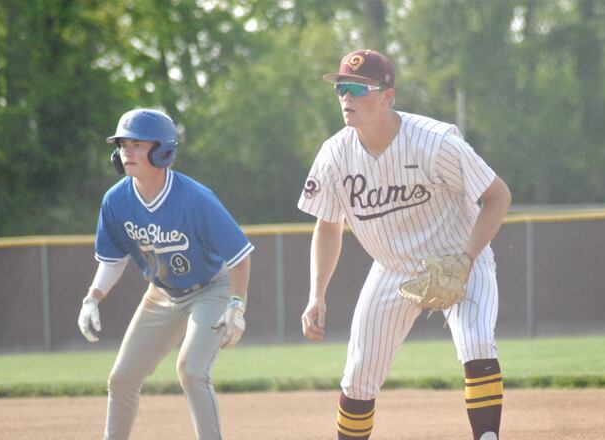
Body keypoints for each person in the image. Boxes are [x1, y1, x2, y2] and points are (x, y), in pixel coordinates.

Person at [298, 49, 512, 440]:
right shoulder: (334, 155)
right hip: (392, 269)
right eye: (343, 88)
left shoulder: (434, 142)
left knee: (477, 341)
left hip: (459, 259)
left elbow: (497, 196)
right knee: (359, 375)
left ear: (388, 97)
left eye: (360, 89)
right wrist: (317, 295)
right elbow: (328, 227)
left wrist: (465, 259)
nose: (347, 97)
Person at [77, 108, 253, 440]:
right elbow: (113, 260)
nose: (126, 151)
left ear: (163, 150)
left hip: (210, 289)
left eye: (137, 144)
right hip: (162, 294)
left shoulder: (195, 198)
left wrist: (236, 304)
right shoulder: (115, 201)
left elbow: (240, 256)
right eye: (123, 145)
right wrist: (92, 297)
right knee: (122, 379)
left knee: (192, 371)